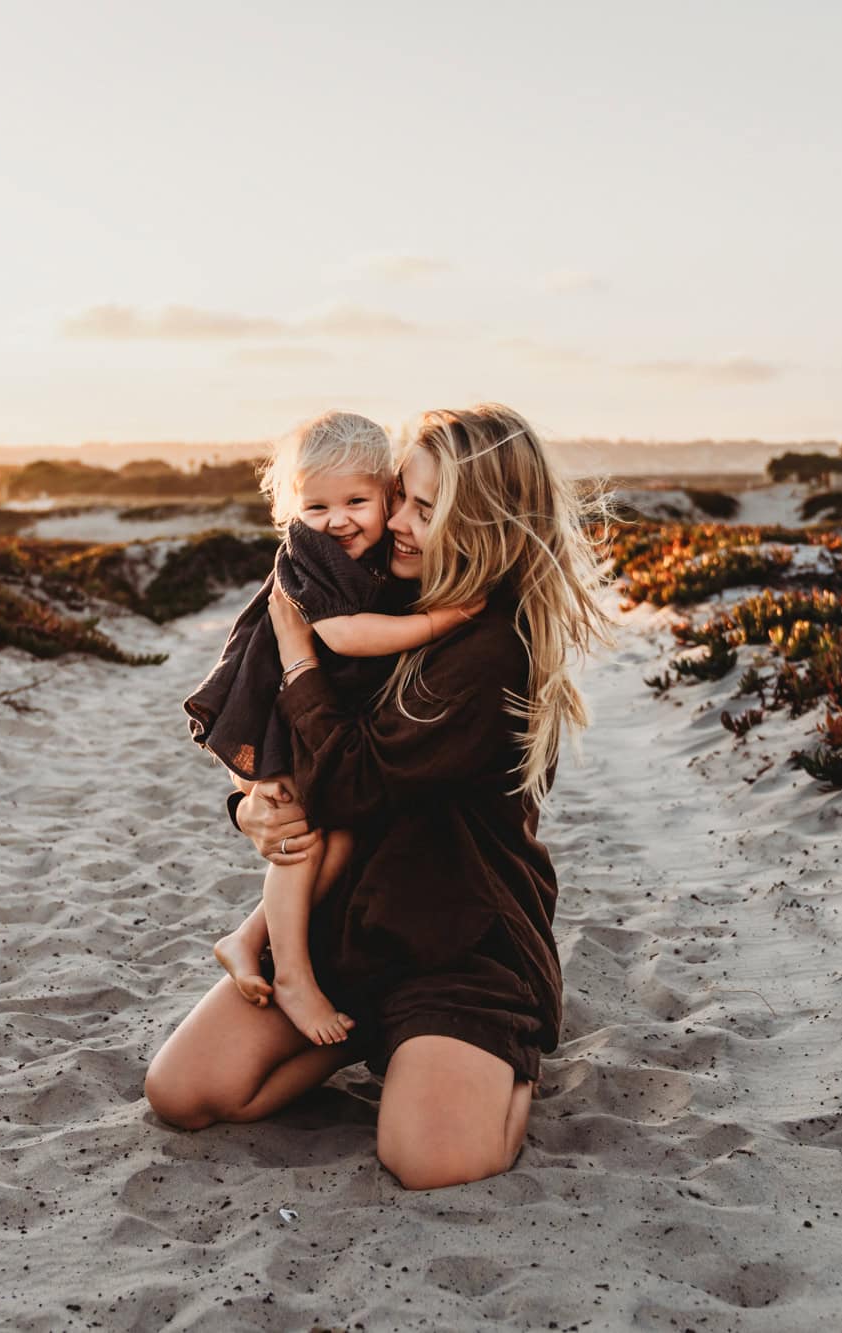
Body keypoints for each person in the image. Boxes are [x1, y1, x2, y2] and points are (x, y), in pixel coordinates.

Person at [145, 403, 610, 1190]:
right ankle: (361, 1036)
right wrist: (250, 805)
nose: (393, 520)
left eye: (424, 510)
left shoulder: (491, 645)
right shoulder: (370, 587)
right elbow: (274, 735)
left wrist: (299, 659)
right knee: (182, 1092)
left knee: (428, 1159)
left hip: (456, 941)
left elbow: (353, 781)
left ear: (486, 526)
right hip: (353, 925)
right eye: (400, 495)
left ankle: (502, 1059)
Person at [182, 410, 482, 1047]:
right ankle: (290, 972)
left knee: (334, 839)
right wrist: (439, 623)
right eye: (316, 505)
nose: (338, 519)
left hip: (308, 713)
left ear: (387, 495)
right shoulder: (313, 557)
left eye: (357, 501)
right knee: (305, 838)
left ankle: (248, 937)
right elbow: (341, 635)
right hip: (273, 706)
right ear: (292, 507)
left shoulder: (378, 557)